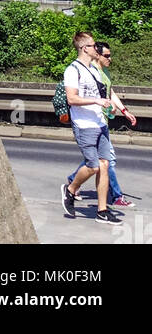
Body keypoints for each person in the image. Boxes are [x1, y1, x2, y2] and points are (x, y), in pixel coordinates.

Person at [61, 31, 135, 224]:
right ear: (85, 48)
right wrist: (97, 101)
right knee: (93, 166)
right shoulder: (72, 70)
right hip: (84, 125)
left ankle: (102, 210)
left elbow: (107, 94)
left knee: (104, 165)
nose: (97, 48)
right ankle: (69, 189)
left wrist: (118, 108)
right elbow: (72, 98)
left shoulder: (95, 71)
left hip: (100, 123)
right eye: (93, 45)